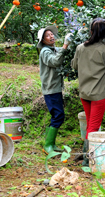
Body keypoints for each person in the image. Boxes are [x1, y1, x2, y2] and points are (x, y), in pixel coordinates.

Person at [71, 18, 105, 166]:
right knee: (93, 127)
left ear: (91, 31)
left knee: (90, 123)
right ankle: (87, 158)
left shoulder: (80, 48)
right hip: (98, 94)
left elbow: (74, 66)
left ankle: (86, 154)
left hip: (84, 93)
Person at [37, 26, 73, 154]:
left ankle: (50, 143)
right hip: (50, 89)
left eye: (52, 34)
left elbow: (63, 54)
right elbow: (55, 61)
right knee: (58, 115)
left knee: (56, 115)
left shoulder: (53, 49)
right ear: (43, 41)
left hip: (55, 88)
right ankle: (48, 145)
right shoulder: (45, 52)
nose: (51, 36)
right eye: (47, 35)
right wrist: (65, 44)